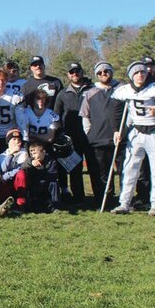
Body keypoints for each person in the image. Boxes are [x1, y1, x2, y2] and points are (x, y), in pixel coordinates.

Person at [110, 61, 155, 216]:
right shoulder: (123, 91)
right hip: (136, 132)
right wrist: (116, 130)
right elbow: (117, 112)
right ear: (131, 75)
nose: (140, 75)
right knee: (129, 169)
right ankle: (124, 203)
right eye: (136, 72)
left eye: (142, 72)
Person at [79, 62, 121, 208]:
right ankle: (102, 200)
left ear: (111, 72)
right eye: (100, 72)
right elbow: (85, 116)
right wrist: (90, 133)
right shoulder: (91, 93)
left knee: (123, 171)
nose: (103, 74)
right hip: (97, 139)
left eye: (106, 71)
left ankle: (124, 201)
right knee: (100, 173)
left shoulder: (121, 90)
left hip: (119, 138)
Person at [53, 62, 92, 204]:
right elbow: (56, 115)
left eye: (77, 71)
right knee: (74, 168)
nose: (74, 74)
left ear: (82, 72)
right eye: (72, 72)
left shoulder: (92, 90)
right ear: (68, 75)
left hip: (90, 135)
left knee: (93, 168)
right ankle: (76, 197)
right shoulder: (63, 94)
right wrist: (60, 134)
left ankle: (99, 197)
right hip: (70, 137)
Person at [0, 128, 28, 210]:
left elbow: (20, 168)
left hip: (17, 182)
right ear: (8, 141)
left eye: (19, 139)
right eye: (14, 139)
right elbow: (3, 169)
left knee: (21, 173)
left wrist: (7, 175)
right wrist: (11, 155)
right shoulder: (3, 154)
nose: (17, 142)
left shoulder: (24, 153)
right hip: (7, 182)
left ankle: (21, 203)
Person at [21, 141, 61, 213]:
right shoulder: (29, 161)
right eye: (31, 153)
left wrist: (42, 169)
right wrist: (31, 164)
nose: (33, 155)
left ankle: (55, 205)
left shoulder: (51, 161)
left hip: (47, 183)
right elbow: (22, 167)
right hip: (34, 185)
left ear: (43, 152)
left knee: (54, 183)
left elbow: (53, 174)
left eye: (35, 153)